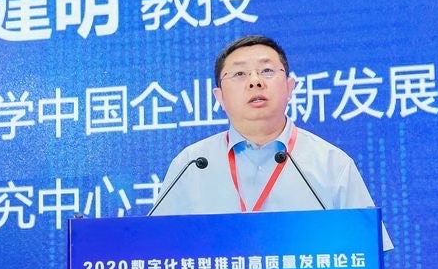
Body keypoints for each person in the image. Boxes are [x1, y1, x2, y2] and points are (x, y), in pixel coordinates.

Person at [151, 34, 393, 250]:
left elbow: (367, 254)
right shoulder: (191, 164)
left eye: (267, 71)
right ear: (220, 97)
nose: (255, 81)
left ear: (289, 87)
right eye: (239, 74)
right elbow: (156, 249)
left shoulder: (332, 164)